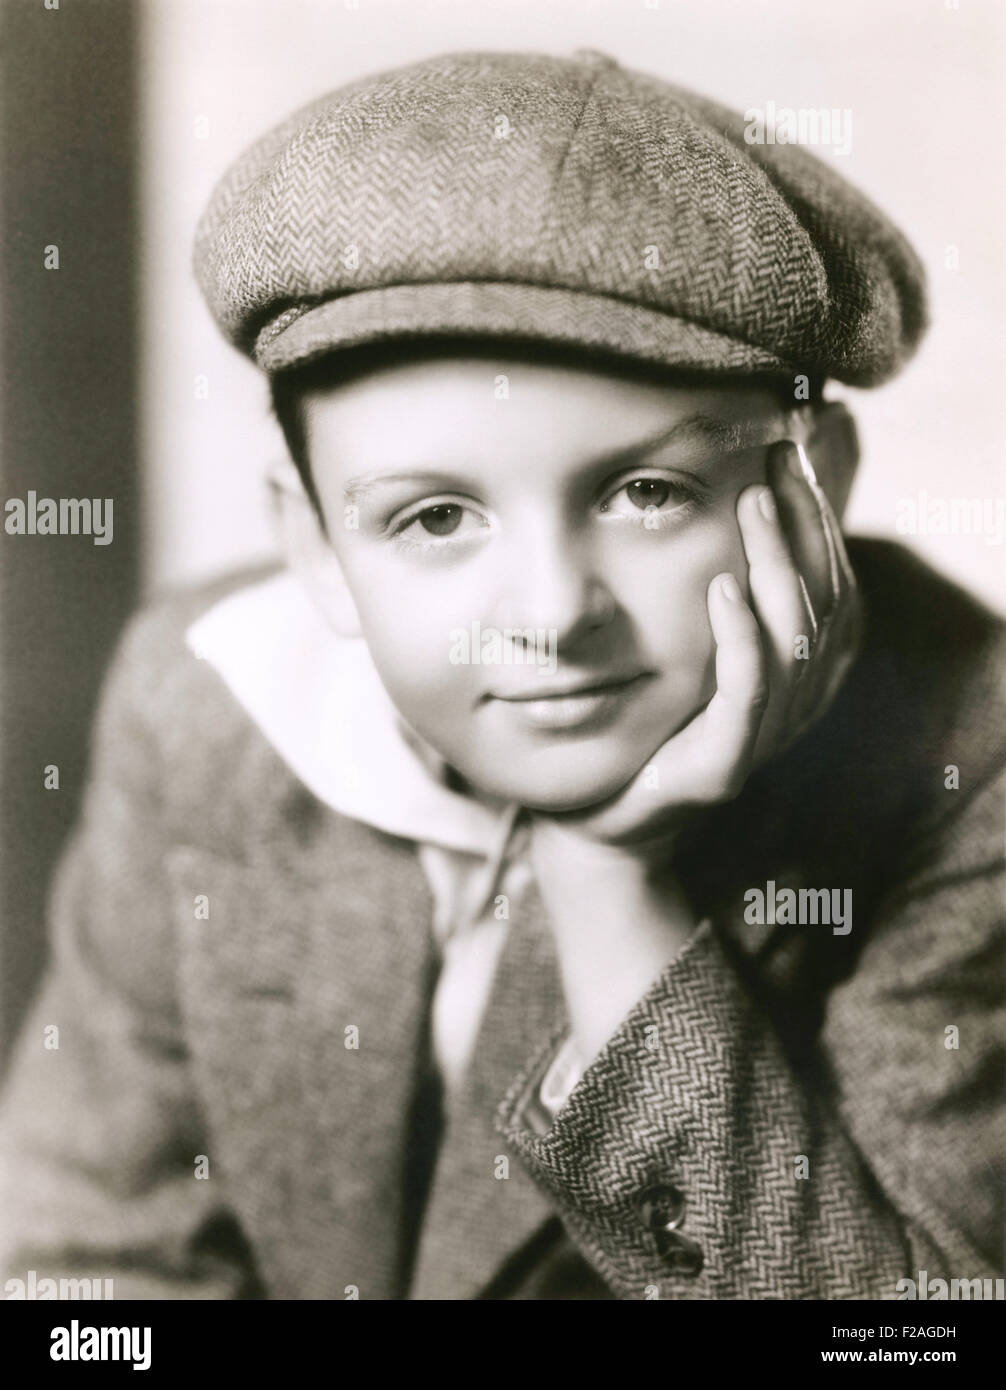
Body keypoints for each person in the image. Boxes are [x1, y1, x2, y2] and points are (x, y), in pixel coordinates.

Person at [1, 49, 1002, 1301]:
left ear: (814, 493)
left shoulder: (964, 743)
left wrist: (607, 880)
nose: (548, 618)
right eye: (432, 519)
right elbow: (86, 1277)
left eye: (648, 493)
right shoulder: (208, 700)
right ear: (311, 542)